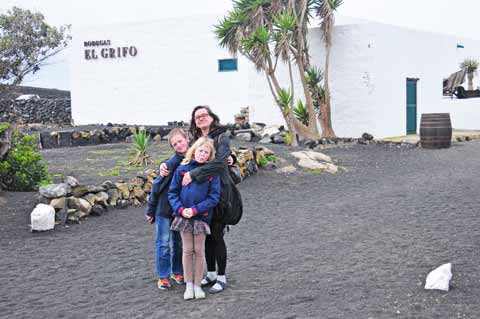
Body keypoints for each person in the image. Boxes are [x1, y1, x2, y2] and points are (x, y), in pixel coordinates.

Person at [160, 105, 239, 294]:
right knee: (207, 236)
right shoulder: (197, 139)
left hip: (219, 193)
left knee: (217, 235)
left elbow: (220, 160)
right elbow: (185, 154)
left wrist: (196, 173)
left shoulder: (222, 136)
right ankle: (210, 273)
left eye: (204, 114)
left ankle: (221, 277)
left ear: (212, 117)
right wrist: (164, 165)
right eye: (197, 116)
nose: (201, 118)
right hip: (201, 194)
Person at [168, 137, 221, 300]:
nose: (203, 154)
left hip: (201, 217)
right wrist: (181, 209)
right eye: (200, 150)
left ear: (210, 155)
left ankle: (198, 285)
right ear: (194, 150)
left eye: (206, 152)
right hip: (184, 216)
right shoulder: (182, 169)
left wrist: (196, 209)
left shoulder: (211, 173)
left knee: (199, 251)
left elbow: (214, 197)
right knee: (186, 250)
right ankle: (189, 285)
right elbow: (172, 193)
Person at [144, 128, 189, 290]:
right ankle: (163, 276)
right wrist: (150, 210)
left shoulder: (193, 159)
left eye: (180, 141)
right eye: (174, 144)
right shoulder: (170, 164)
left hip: (180, 210)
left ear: (187, 139)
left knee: (178, 243)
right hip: (163, 210)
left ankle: (178, 271)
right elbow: (156, 186)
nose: (178, 145)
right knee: (163, 243)